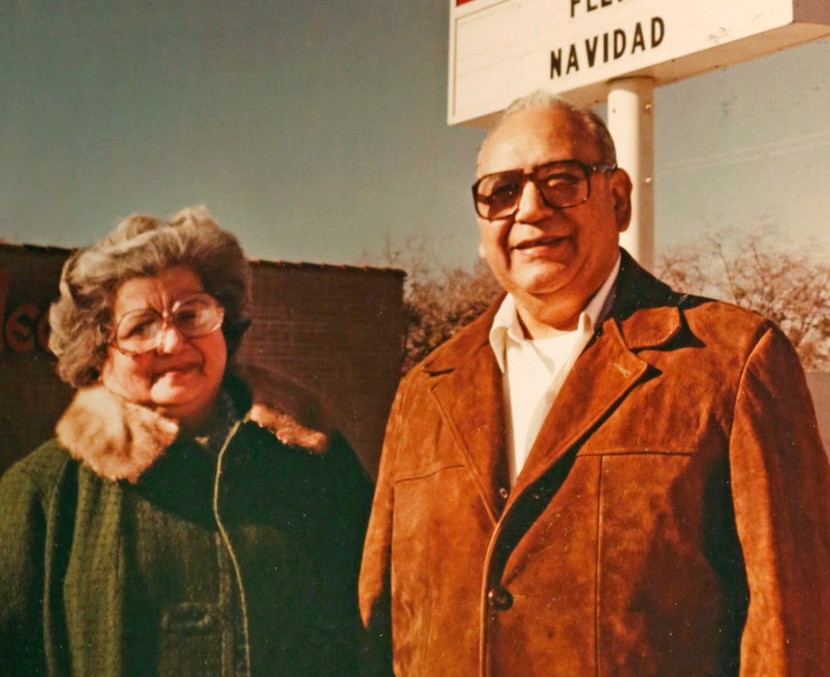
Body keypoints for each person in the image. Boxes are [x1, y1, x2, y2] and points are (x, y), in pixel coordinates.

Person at [359, 92, 830, 676]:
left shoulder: (729, 362)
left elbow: (792, 629)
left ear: (618, 199)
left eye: (561, 180)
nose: (529, 209)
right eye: (501, 192)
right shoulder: (425, 390)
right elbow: (379, 624)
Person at [0, 206, 373, 677]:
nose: (173, 342)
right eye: (140, 327)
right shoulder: (41, 494)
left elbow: (376, 631)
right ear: (100, 352)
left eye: (191, 314)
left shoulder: (316, 460)